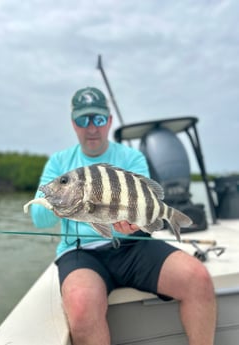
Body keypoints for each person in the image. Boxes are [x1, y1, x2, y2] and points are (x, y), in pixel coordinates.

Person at [31, 86, 216, 345]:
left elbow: (144, 209)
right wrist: (55, 201)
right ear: (74, 123)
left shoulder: (131, 157)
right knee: (81, 307)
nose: (91, 127)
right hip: (80, 252)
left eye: (98, 119)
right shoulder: (59, 163)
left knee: (198, 278)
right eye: (83, 120)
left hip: (132, 245)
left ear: (109, 120)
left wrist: (135, 226)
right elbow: (40, 219)